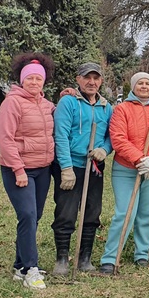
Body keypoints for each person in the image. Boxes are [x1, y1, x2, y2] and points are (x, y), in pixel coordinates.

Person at [99, 72, 149, 273]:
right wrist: (140, 159)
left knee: (147, 214)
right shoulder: (121, 110)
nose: (144, 86)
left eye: (147, 83)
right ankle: (110, 257)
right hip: (126, 169)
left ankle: (142, 254)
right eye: (140, 83)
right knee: (124, 213)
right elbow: (118, 138)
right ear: (133, 87)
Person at [0, 53, 55, 289]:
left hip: (43, 169)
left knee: (34, 217)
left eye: (38, 79)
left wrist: (67, 94)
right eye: (29, 78)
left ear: (43, 81)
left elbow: (54, 113)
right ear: (22, 80)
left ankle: (19, 266)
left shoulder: (45, 103)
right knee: (28, 215)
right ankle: (31, 269)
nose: (34, 82)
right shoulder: (12, 102)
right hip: (18, 170)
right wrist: (18, 169)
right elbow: (5, 139)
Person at [52, 63, 113, 275]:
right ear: (78, 79)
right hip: (71, 165)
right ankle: (62, 259)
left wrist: (104, 150)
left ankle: (85, 258)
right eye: (87, 77)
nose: (92, 82)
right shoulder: (68, 102)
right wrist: (66, 168)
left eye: (96, 78)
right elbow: (60, 135)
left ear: (101, 81)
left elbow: (110, 137)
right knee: (66, 213)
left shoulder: (106, 107)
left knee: (92, 212)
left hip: (94, 166)